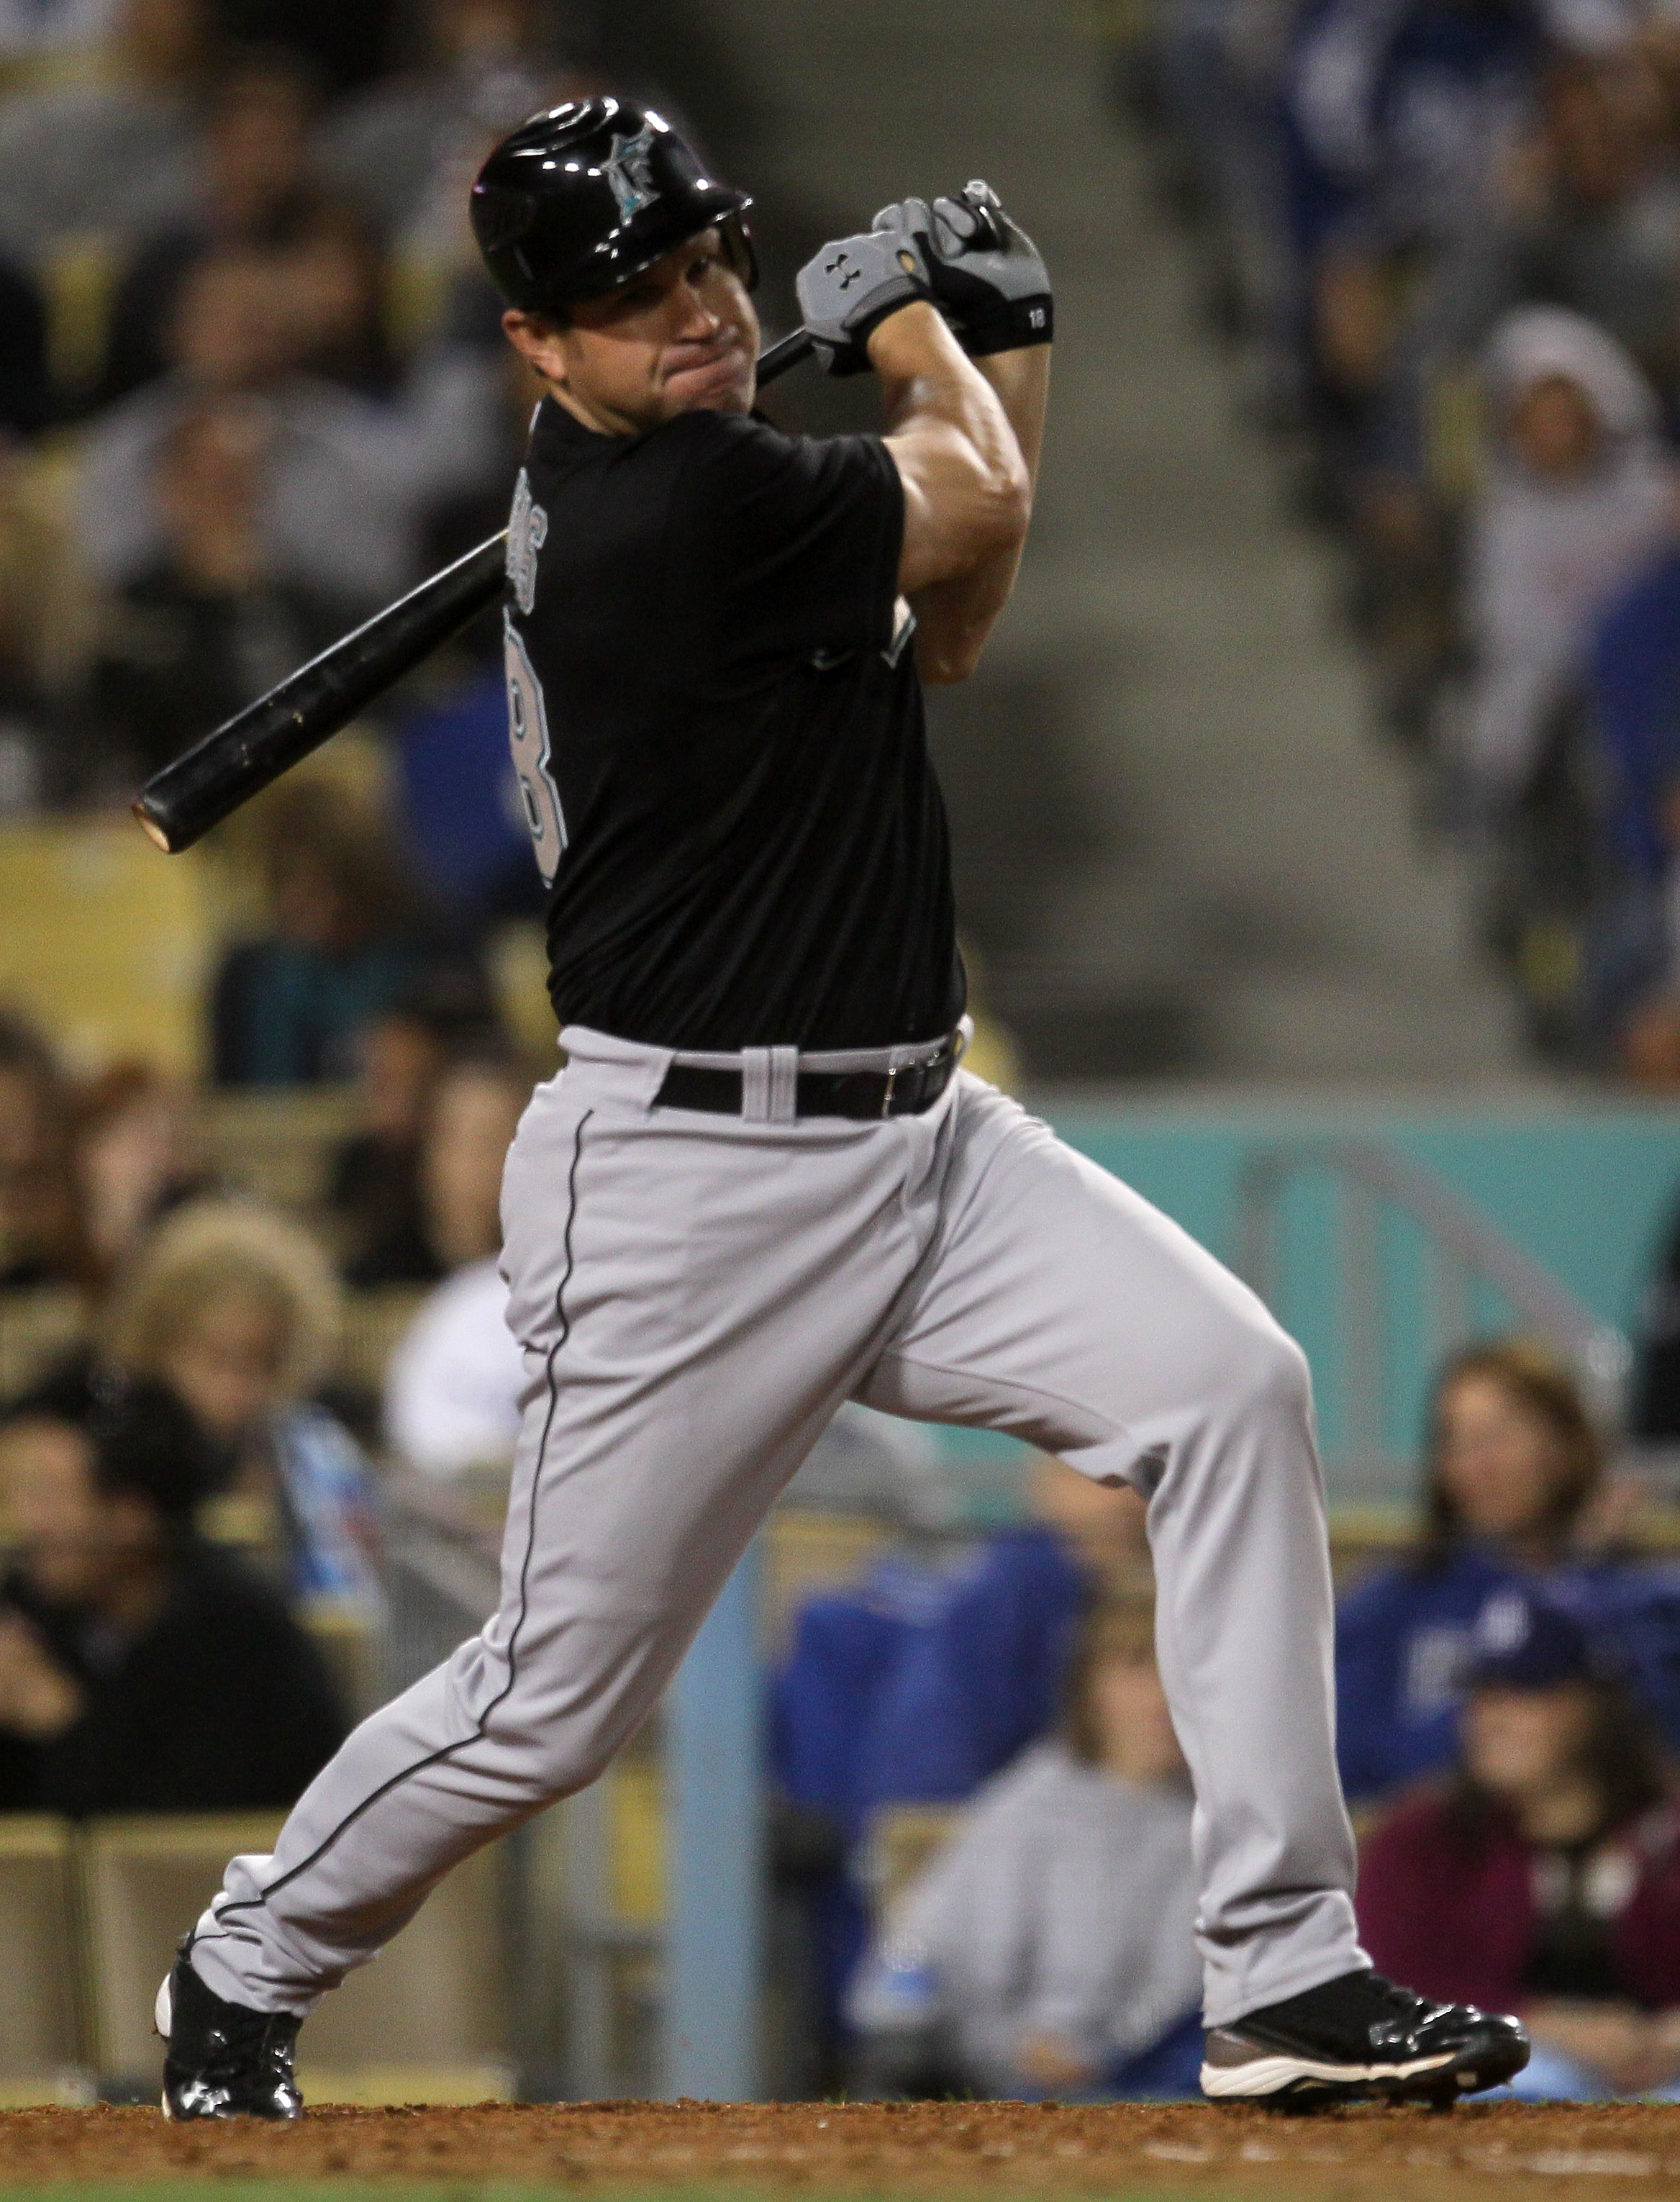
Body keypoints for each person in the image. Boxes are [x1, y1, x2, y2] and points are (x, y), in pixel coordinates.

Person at [158, 96, 1527, 2120]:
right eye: (630, 300)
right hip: (691, 1177)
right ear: (535, 346)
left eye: (703, 264)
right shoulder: (664, 515)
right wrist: (919, 330)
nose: (696, 312)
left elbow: (955, 607)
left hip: (917, 1136)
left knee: (1227, 1392)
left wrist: (1000, 338)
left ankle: (1276, 1971)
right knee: (552, 1708)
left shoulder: (715, 482)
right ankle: (245, 1956)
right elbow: (958, 501)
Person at [848, 1590, 1203, 2101]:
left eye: (1182, 1671)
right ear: (1087, 1684)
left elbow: (1179, 1992)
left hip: (1149, 2082)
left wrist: (1101, 2053)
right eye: (1135, 1668)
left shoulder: (1218, 1826)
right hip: (999, 2079)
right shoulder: (1024, 1805)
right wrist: (933, 2025)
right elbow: (915, 1948)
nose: (1159, 1697)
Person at [1358, 1586, 1680, 2100]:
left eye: (1525, 1693)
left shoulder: (1666, 1831)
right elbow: (1387, 1997)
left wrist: (1666, 2036)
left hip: (1660, 2073)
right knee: (1514, 2083)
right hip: (1508, 2066)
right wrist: (1548, 2026)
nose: (1491, 1719)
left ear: (1596, 1705)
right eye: (1482, 1694)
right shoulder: (1421, 1840)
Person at [1336, 1336, 1680, 1804]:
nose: (1476, 1466)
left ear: (1564, 1446)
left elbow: (1652, 1739)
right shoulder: (1394, 1602)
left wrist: (1578, 1579)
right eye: (1454, 1442)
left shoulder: (1638, 1598)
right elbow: (1347, 1759)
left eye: (1497, 1438)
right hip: (1436, 1857)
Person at [0, 1364, 346, 1814]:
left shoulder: (241, 1641)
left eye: (49, 1497)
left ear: (134, 1516)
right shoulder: (30, 1613)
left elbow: (201, 1839)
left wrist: (61, 1722)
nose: (28, 1524)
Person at [105, 1197, 382, 1619]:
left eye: (257, 1364)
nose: (234, 1390)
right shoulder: (113, 1463)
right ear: (158, 1349)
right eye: (214, 1359)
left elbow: (355, 1610)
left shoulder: (318, 1453)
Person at [381, 1051, 530, 1477]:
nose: (466, 1167)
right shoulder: (384, 1265)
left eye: (488, 1141)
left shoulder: (563, 1291)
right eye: (450, 1139)